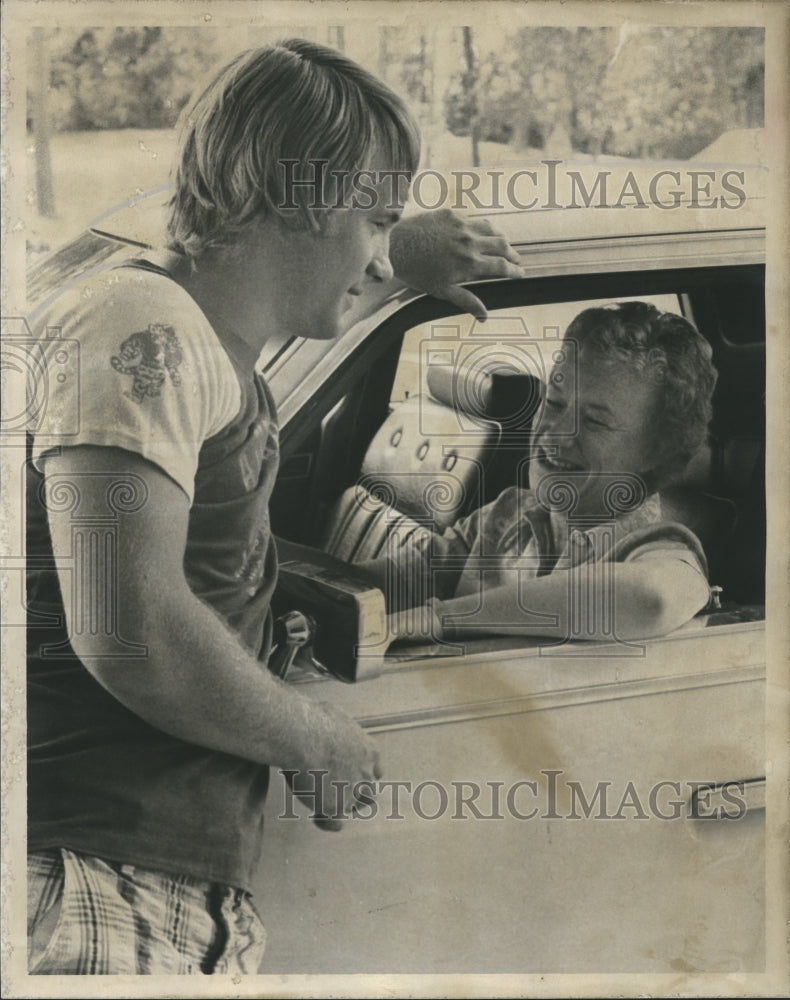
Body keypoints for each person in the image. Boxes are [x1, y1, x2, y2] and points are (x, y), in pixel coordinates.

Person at [25, 39, 523, 975]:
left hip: (141, 889)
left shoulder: (205, 348)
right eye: (374, 220)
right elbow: (130, 629)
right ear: (303, 200)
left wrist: (388, 249)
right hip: (93, 884)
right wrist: (316, 740)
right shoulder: (142, 323)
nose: (380, 259)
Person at [384, 301, 718, 644]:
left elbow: (653, 598)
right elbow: (396, 580)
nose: (554, 433)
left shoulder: (657, 549)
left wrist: (440, 619)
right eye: (554, 403)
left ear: (656, 450)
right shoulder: (506, 514)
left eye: (595, 421)